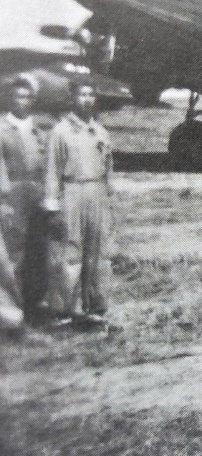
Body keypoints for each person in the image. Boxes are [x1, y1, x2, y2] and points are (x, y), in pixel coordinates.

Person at [43, 81, 114, 328]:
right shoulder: (60, 131)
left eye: (90, 94)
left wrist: (107, 199)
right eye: (81, 94)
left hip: (96, 192)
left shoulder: (101, 132)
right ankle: (62, 312)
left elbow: (108, 169)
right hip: (71, 190)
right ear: (72, 98)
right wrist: (52, 204)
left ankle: (96, 308)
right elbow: (52, 170)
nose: (86, 99)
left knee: (98, 252)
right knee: (69, 253)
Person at [0, 78, 48, 321]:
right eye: (17, 96)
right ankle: (14, 311)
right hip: (13, 193)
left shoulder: (38, 129)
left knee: (38, 251)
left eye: (27, 97)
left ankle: (36, 305)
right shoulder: (2, 128)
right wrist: (4, 201)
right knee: (15, 251)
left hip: (37, 194)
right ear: (9, 99)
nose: (22, 101)